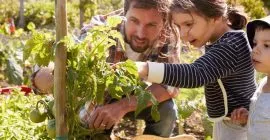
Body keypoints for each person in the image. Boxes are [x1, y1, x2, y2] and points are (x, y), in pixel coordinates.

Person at [31, 0, 181, 137]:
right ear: (124, 12)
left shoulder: (168, 33)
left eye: (151, 25)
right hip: (101, 95)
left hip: (133, 93)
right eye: (134, 21)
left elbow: (171, 84)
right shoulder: (103, 29)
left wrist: (122, 106)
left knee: (167, 110)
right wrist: (46, 75)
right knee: (90, 129)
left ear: (163, 21)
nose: (141, 33)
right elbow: (70, 58)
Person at [134, 0, 257, 140]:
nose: (182, 33)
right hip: (233, 120)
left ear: (215, 17)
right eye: (178, 26)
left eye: (188, 24)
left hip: (239, 123)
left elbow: (195, 74)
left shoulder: (231, 45)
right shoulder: (223, 39)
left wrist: (145, 68)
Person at [231, 15, 270, 140]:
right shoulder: (263, 83)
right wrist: (249, 117)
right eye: (254, 43)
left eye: (267, 45)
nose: (255, 50)